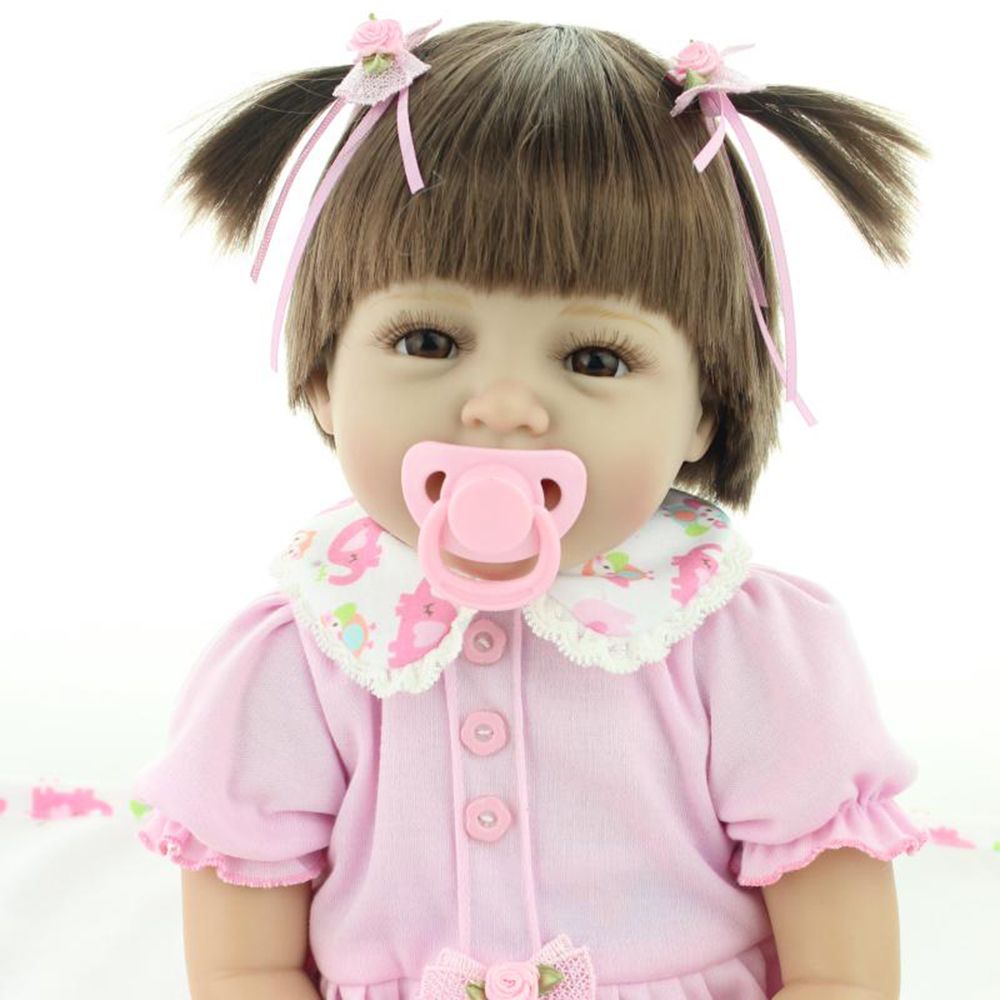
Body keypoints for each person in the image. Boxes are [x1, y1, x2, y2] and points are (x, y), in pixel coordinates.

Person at [133, 15, 932, 1000]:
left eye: (594, 357)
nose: (503, 406)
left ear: (704, 409)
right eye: (428, 341)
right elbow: (243, 965)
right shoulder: (303, 654)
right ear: (326, 378)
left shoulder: (750, 647)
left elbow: (843, 972)